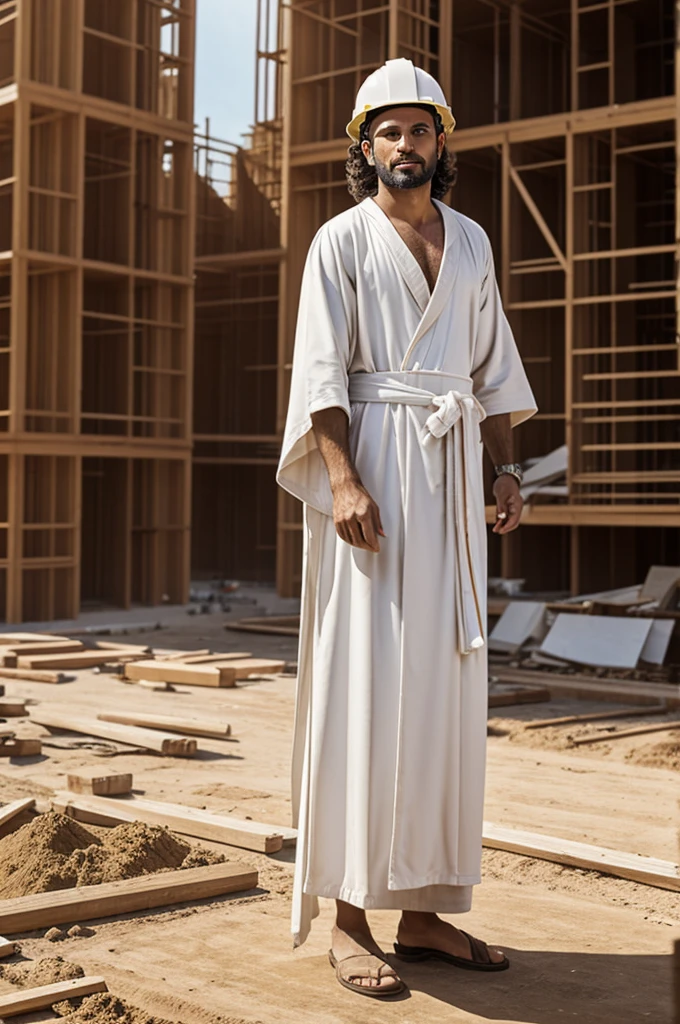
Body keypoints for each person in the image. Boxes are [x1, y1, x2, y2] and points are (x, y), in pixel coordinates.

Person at [277, 58, 537, 998]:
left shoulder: (470, 243)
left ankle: (424, 914)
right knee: (365, 682)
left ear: (441, 140)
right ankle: (349, 919)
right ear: (365, 147)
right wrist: (343, 479)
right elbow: (320, 372)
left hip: (452, 470)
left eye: (418, 129)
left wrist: (504, 468)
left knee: (444, 697)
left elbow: (491, 369)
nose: (404, 145)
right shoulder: (338, 242)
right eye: (386, 132)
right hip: (377, 478)